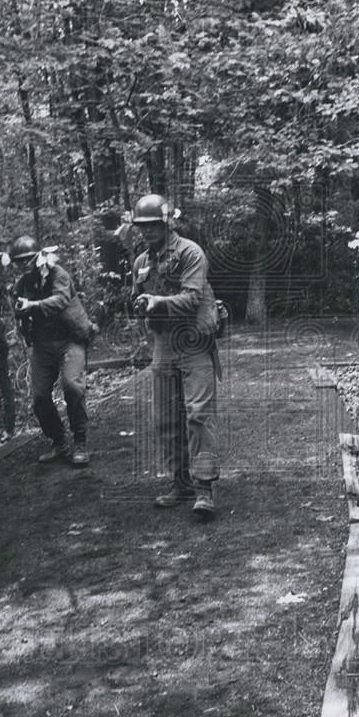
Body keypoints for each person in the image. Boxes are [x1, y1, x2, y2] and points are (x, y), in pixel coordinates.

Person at [130, 193, 221, 517]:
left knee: (197, 415)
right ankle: (180, 482)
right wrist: (140, 303)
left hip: (194, 342)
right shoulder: (142, 261)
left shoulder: (190, 252)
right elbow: (139, 298)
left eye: (153, 224)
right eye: (142, 226)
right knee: (166, 420)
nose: (147, 231)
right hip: (164, 345)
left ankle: (204, 487)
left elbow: (193, 298)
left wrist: (159, 302)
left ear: (168, 222)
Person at [10, 235, 94, 467]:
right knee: (39, 398)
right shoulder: (24, 284)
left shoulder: (59, 275)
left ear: (39, 256)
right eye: (19, 261)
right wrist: (21, 309)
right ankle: (58, 441)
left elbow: (60, 300)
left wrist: (34, 305)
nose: (24, 265)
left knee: (72, 386)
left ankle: (80, 441)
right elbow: (20, 309)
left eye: (27, 259)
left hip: (70, 339)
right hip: (43, 344)